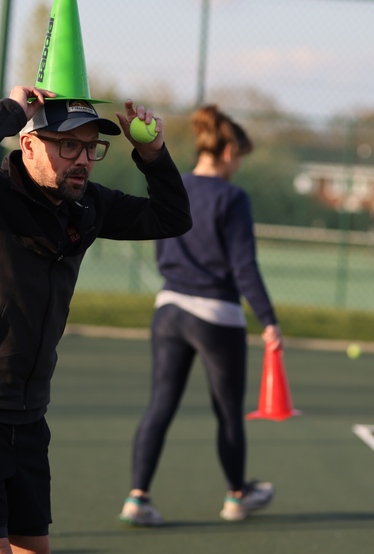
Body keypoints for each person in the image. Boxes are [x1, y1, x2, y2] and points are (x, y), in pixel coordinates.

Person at [0, 86, 192, 554]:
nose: (81, 158)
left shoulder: (88, 206)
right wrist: (12, 109)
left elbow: (172, 218)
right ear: (28, 144)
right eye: (67, 145)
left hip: (27, 413)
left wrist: (153, 153)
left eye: (90, 147)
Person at [119, 105, 281, 527]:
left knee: (160, 405)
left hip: (169, 308)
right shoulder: (233, 197)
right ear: (228, 151)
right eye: (240, 155)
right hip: (217, 316)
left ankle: (137, 498)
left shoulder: (175, 184)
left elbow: (160, 240)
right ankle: (235, 496)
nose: (239, 164)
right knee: (228, 412)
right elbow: (244, 266)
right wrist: (268, 320)